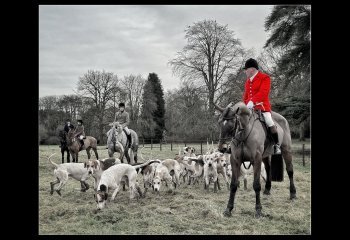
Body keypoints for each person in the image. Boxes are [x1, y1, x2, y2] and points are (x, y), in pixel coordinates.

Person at [242, 58, 281, 154]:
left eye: (246, 69)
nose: (245, 72)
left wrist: (253, 101)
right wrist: (245, 104)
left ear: (251, 69)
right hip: (249, 109)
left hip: (262, 107)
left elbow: (264, 92)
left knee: (269, 121)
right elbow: (245, 96)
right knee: (239, 120)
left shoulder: (265, 77)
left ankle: (276, 145)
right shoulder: (247, 81)